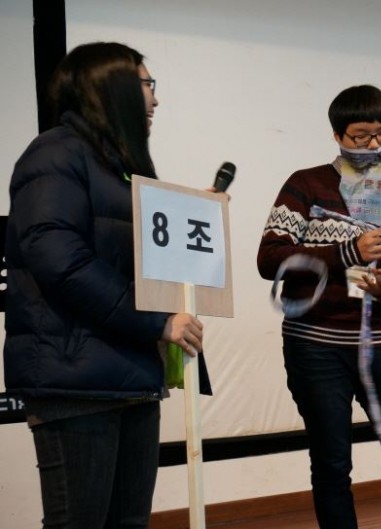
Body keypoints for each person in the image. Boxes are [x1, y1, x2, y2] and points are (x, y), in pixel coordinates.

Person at [4, 42, 205, 529]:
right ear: (111, 87)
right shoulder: (56, 152)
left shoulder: (119, 164)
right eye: (146, 84)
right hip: (77, 379)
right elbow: (60, 259)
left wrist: (193, 220)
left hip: (132, 373)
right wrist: (156, 320)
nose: (155, 99)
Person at [257, 84, 381, 529]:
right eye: (361, 136)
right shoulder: (306, 185)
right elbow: (270, 259)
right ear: (337, 136)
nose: (373, 145)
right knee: (333, 463)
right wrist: (346, 254)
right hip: (315, 346)